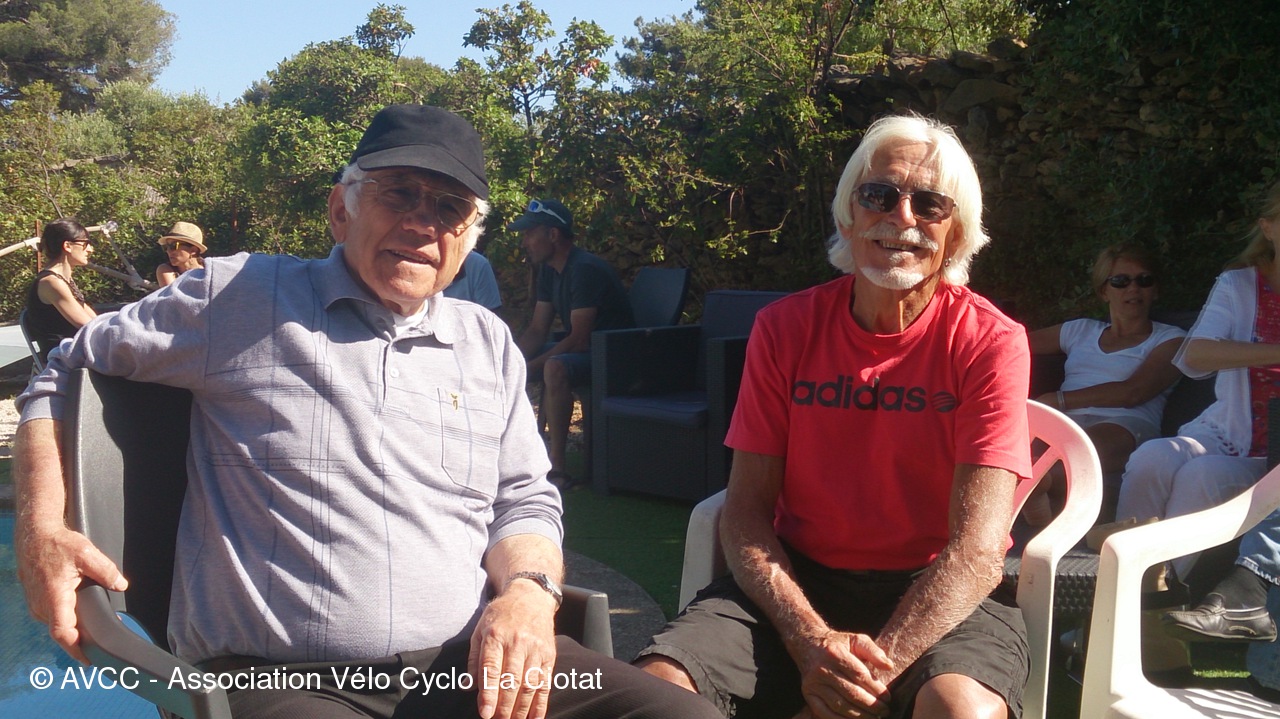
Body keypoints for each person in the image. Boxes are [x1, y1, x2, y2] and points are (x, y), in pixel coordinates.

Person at [13, 104, 721, 719]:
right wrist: (42, 528)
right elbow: (65, 368)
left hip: (466, 666)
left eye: (449, 208)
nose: (422, 222)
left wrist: (530, 592)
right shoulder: (238, 296)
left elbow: (524, 498)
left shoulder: (486, 342)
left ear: (468, 238)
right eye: (399, 192)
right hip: (283, 680)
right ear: (341, 208)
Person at [635, 114, 1033, 719]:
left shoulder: (990, 341)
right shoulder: (784, 329)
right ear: (848, 215)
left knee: (961, 710)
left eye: (930, 204)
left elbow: (976, 552)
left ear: (955, 234)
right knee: (657, 688)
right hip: (800, 582)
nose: (901, 217)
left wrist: (863, 676)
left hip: (940, 592)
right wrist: (808, 640)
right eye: (878, 195)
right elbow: (744, 512)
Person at [1118, 179, 1280, 588]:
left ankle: (1155, 593)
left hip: (1273, 455)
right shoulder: (1240, 285)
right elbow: (1195, 356)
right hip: (1226, 430)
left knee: (1202, 475)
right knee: (1151, 457)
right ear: (1268, 227)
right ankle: (1116, 582)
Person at [1024, 244, 1186, 524]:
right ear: (1104, 291)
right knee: (1018, 448)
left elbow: (1134, 392)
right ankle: (1034, 492)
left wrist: (1058, 400)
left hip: (1125, 423)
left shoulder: (1172, 339)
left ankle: (1037, 489)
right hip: (1064, 419)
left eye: (1144, 280)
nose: (1133, 288)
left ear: (1155, 290)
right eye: (1121, 281)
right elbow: (1010, 343)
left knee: (1081, 451)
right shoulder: (1080, 330)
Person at [512, 199, 633, 488]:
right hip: (584, 352)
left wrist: (529, 368)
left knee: (554, 367)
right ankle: (513, 458)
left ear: (553, 234)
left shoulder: (584, 269)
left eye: (529, 234)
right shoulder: (548, 270)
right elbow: (537, 330)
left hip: (614, 356)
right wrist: (509, 363)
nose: (524, 242)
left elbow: (579, 340)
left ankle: (556, 469)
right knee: (513, 367)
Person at [23, 218, 97, 363]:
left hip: (77, 353)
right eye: (85, 244)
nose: (90, 249)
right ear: (67, 246)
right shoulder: (51, 283)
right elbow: (88, 326)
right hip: (64, 359)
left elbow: (95, 321)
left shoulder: (64, 280)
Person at [154, 220, 207, 287]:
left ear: (193, 250)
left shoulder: (208, 270)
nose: (168, 251)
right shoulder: (166, 270)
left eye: (174, 246)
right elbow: (172, 293)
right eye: (166, 246)